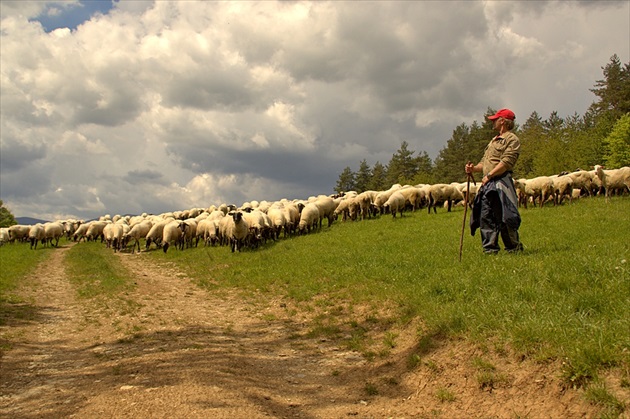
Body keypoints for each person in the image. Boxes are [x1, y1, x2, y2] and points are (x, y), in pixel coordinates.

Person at [465, 108, 523, 254]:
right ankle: (490, 251)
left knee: (505, 217)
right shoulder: (493, 141)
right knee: (486, 217)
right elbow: (484, 164)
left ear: (502, 121)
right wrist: (473, 169)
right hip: (488, 184)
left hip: (501, 183)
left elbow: (506, 162)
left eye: (495, 119)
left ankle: (513, 248)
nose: (492, 122)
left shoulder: (512, 139)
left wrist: (490, 175)